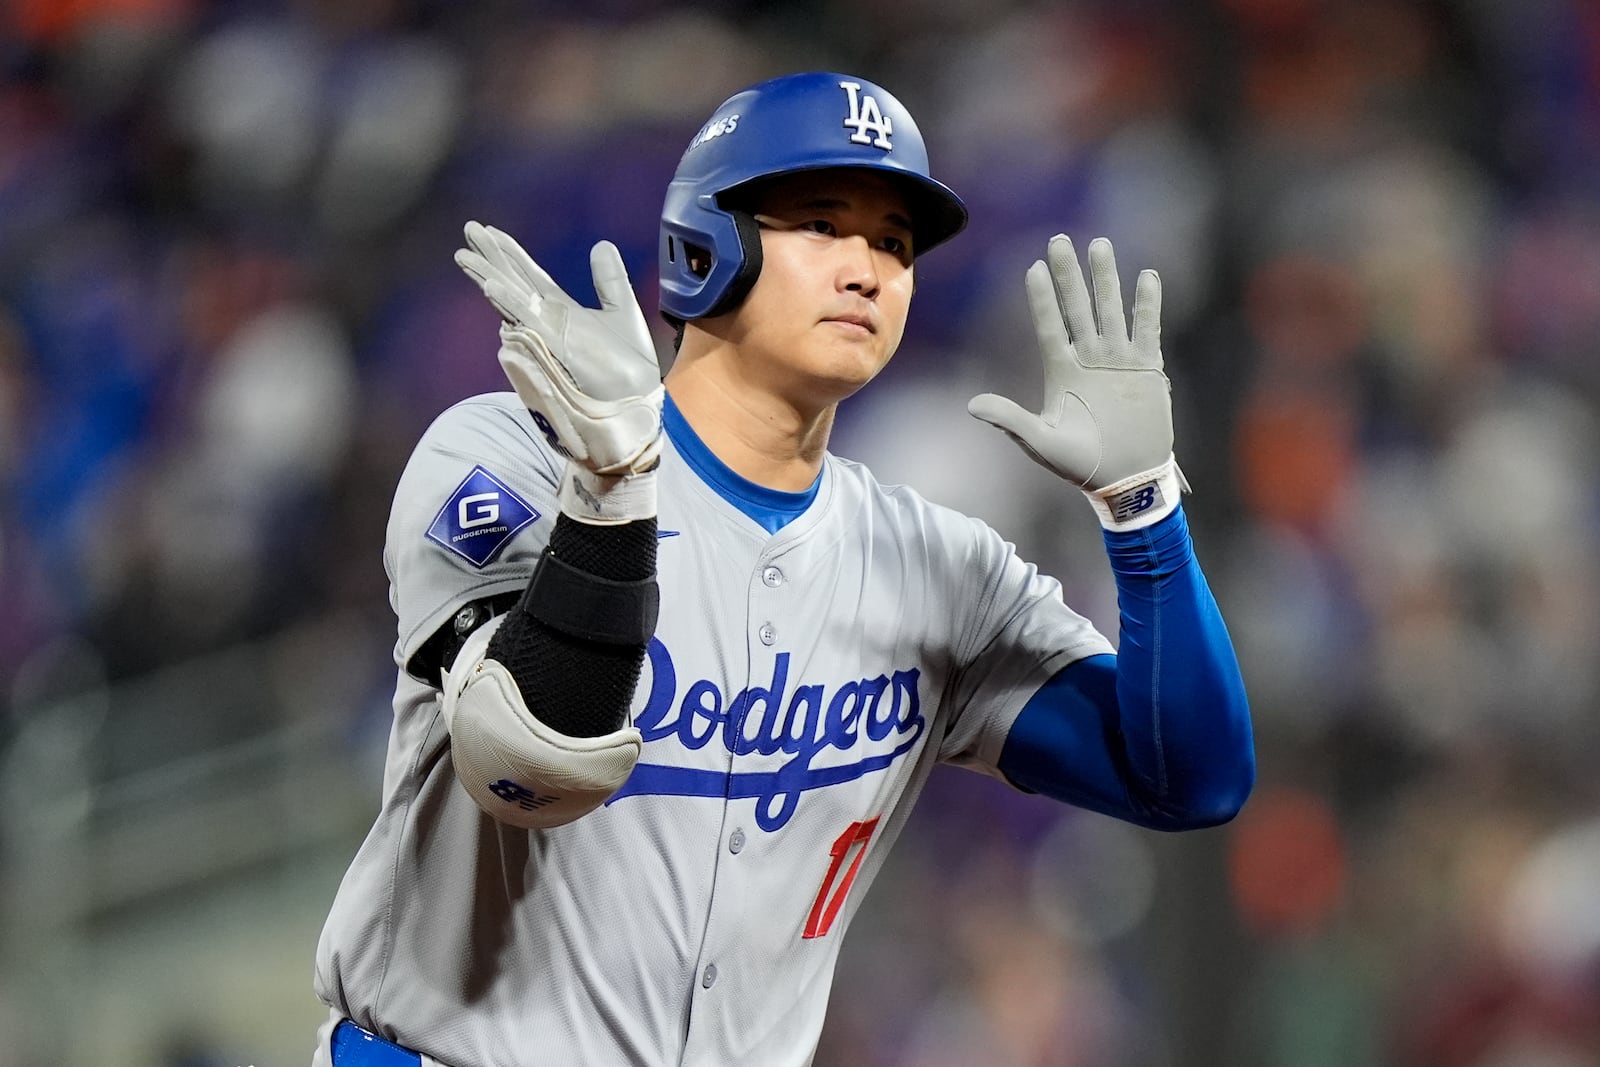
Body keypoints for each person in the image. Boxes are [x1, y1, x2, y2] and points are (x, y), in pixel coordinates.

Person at [311, 71, 1254, 1067]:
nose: (867, 269)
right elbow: (529, 764)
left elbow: (1191, 780)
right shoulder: (510, 452)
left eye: (892, 242)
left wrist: (1143, 508)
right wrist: (613, 493)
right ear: (702, 246)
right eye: (820, 224)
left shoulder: (935, 563)